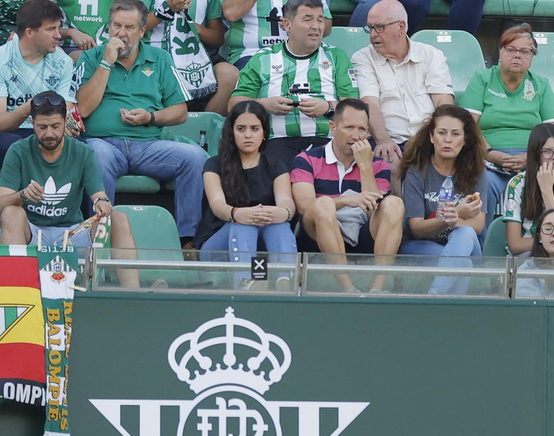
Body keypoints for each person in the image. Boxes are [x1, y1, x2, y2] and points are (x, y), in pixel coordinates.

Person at [75, 0, 207, 243]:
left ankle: (188, 241)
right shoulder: (91, 58)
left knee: (194, 157)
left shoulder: (160, 58)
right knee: (96, 155)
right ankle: (99, 239)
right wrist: (105, 63)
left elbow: (180, 112)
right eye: (116, 26)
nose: (121, 33)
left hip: (150, 145)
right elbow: (82, 109)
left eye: (129, 27)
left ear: (143, 30)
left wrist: (151, 117)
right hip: (104, 143)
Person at [0, 89, 137, 274]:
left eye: (55, 126)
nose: (49, 133)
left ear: (65, 122)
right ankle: (16, 295)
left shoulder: (83, 152)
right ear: (32, 123)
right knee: (11, 213)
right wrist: (22, 195)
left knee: (118, 218)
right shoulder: (18, 150)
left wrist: (102, 203)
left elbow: (99, 195)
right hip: (31, 231)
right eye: (42, 127)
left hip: (73, 233)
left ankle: (130, 296)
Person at [459, 23, 554, 221]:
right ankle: (482, 245)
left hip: (535, 158)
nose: (517, 55)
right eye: (511, 49)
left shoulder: (540, 85)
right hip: (489, 159)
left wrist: (531, 157)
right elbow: (467, 125)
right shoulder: (483, 79)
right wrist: (490, 154)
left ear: (532, 57)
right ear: (500, 52)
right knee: (483, 181)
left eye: (525, 51)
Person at [289, 97, 402, 292]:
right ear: (333, 128)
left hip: (363, 229)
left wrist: (365, 166)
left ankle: (376, 289)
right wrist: (347, 200)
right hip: (318, 232)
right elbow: (305, 206)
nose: (356, 136)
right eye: (349, 128)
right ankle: (347, 288)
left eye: (362, 130)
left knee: (394, 204)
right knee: (323, 204)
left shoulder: (377, 164)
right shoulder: (307, 159)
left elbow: (373, 211)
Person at [231, 0, 354, 161]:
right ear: (287, 25)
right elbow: (233, 106)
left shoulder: (336, 56)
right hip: (276, 142)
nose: (316, 26)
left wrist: (327, 107)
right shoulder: (263, 58)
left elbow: (355, 109)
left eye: (320, 20)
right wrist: (265, 105)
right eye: (307, 19)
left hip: (328, 143)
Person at [197, 99, 294, 276]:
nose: (248, 135)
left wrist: (284, 213)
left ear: (264, 132)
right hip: (218, 244)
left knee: (278, 225)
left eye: (254, 129)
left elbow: (286, 201)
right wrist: (238, 214)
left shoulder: (276, 166)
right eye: (241, 129)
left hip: (263, 244)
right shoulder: (214, 165)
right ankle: (244, 284)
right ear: (231, 133)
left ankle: (286, 282)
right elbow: (217, 204)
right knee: (243, 224)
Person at [397, 104, 488, 294]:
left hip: (465, 245)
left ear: (465, 140)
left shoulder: (476, 172)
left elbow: (478, 225)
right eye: (441, 133)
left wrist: (455, 218)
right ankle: (449, 308)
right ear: (431, 137)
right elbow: (416, 229)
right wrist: (455, 215)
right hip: (421, 245)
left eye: (455, 134)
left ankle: (435, 296)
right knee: (463, 264)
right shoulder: (417, 171)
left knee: (467, 234)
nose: (448, 140)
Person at [0, 0, 79, 164]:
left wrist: (66, 124)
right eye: (51, 29)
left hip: (48, 128)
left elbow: (65, 111)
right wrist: (32, 106)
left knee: (79, 147)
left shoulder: (64, 62)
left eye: (58, 28)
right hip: (7, 134)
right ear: (30, 32)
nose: (58, 35)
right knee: (12, 145)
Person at [352, 0, 451, 163]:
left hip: (428, 140)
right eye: (370, 28)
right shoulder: (363, 58)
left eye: (380, 27)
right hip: (391, 140)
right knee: (392, 164)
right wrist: (383, 140)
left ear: (401, 27)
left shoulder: (431, 54)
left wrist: (441, 140)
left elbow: (443, 102)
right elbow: (369, 103)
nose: (373, 34)